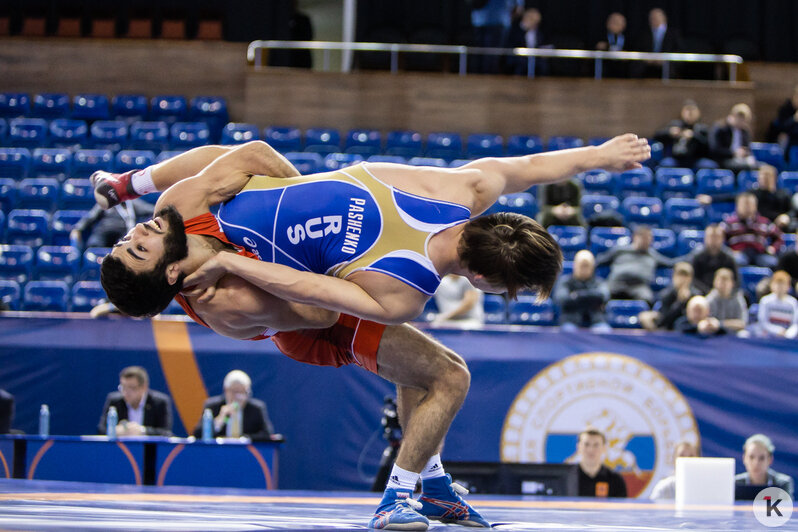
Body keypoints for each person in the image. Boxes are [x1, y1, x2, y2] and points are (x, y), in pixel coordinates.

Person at [93, 143, 492, 529]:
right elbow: (322, 312)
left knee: (420, 374)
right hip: (310, 326)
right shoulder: (228, 299)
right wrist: (321, 243)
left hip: (302, 281)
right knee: (446, 375)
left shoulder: (174, 212)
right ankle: (396, 501)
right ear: (170, 274)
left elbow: (253, 154)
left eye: (127, 241)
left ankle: (436, 487)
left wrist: (309, 199)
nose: (138, 232)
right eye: (139, 250)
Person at [98, 135, 649, 326]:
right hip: (251, 254)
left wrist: (598, 155)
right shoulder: (401, 296)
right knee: (441, 377)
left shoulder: (461, 191)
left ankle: (418, 483)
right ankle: (412, 486)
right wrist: (231, 261)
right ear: (481, 281)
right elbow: (314, 297)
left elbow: (525, 170)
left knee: (439, 377)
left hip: (251, 249)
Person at [698, 165, 793, 230]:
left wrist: (786, 217)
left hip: (778, 225)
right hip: (758, 227)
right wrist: (712, 198)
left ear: (774, 178)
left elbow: (792, 211)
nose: (763, 179)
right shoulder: (753, 194)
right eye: (761, 176)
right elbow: (732, 196)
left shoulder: (783, 194)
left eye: (767, 176)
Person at [596, 225, 674, 305]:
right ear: (635, 237)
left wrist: (687, 258)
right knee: (601, 294)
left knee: (647, 299)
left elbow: (671, 263)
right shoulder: (620, 250)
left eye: (649, 238)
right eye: (644, 238)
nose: (647, 241)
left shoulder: (653, 255)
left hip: (638, 286)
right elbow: (598, 262)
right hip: (615, 283)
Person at [192, 370, 274, 439]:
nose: (238, 396)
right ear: (226, 390)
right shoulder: (213, 406)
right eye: (234, 391)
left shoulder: (256, 408)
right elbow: (197, 435)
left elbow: (267, 434)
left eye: (242, 392)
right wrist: (220, 420)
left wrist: (244, 438)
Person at [98, 366, 173, 437]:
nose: (126, 392)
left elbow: (166, 432)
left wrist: (142, 431)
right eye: (123, 387)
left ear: (144, 387)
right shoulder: (114, 401)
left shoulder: (159, 403)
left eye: (131, 388)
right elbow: (101, 430)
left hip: (149, 449)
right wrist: (115, 431)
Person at [720, 192, 783, 268]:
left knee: (773, 263)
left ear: (755, 206)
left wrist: (773, 248)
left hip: (759, 254)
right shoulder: (729, 223)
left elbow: (779, 237)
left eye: (749, 204)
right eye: (744, 204)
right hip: (738, 253)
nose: (747, 207)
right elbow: (719, 240)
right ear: (737, 206)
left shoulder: (764, 222)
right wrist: (730, 252)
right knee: (736, 261)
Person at [553, 249, 611, 332]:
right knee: (568, 332)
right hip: (570, 321)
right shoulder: (565, 281)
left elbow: (604, 296)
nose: (584, 268)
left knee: (604, 331)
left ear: (592, 267)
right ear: (575, 265)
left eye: (586, 265)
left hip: (597, 320)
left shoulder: (599, 282)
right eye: (581, 265)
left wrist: (576, 296)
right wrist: (592, 298)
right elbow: (561, 299)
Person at [70, 198, 154, 250]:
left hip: (123, 232)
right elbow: (91, 217)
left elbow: (151, 210)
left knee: (126, 248)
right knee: (94, 244)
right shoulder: (106, 202)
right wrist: (78, 229)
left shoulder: (133, 204)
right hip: (103, 231)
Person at [639, 262, 700, 331]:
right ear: (674, 277)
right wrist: (680, 302)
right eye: (680, 275)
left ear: (690, 278)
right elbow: (665, 321)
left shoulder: (696, 296)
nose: (682, 279)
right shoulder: (666, 295)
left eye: (685, 276)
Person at [470, 0, 524, 74]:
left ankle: (487, 81)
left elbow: (518, 9)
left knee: (490, 58)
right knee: (482, 58)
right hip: (483, 21)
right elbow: (518, 9)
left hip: (497, 21)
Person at [653, 100, 710, 169]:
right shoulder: (674, 124)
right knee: (666, 164)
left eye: (693, 111)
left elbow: (708, 145)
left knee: (708, 165)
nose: (690, 113)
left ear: (698, 113)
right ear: (682, 112)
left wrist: (693, 136)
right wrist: (669, 132)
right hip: (675, 159)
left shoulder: (702, 128)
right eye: (687, 110)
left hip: (695, 159)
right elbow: (656, 136)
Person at [735, 433, 795, 497]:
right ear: (744, 459)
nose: (756, 463)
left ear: (770, 460)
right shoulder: (735, 483)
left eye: (762, 458)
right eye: (751, 457)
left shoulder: (782, 484)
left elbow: (786, 506)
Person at [575, 428, 627, 498]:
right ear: (578, 447)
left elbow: (622, 507)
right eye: (586, 444)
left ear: (604, 448)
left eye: (596, 445)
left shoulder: (615, 479)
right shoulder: (567, 478)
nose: (591, 450)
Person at [687, 224, 738, 293]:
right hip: (701, 294)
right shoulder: (697, 257)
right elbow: (693, 280)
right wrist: (708, 292)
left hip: (724, 295)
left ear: (722, 238)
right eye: (711, 237)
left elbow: (736, 281)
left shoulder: (729, 258)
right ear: (705, 238)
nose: (714, 240)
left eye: (716, 237)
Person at [632, 8, 681, 78]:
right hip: (647, 61)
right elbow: (638, 49)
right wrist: (648, 58)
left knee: (671, 66)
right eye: (652, 18)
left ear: (664, 18)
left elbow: (678, 50)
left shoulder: (674, 33)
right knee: (637, 64)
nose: (654, 19)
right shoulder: (643, 34)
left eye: (657, 17)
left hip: (666, 62)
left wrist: (664, 59)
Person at [709, 103, 757, 172]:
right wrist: (734, 153)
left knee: (764, 168)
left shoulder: (744, 131)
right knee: (747, 167)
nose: (742, 122)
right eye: (740, 119)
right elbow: (715, 149)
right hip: (724, 159)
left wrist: (745, 154)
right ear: (733, 116)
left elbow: (747, 148)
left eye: (744, 120)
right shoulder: (720, 128)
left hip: (741, 160)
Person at [756, 270, 798, 339]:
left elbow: (795, 324)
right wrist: (777, 331)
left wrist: (788, 334)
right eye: (777, 283)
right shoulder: (765, 301)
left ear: (788, 286)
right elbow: (763, 323)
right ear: (771, 285)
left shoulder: (793, 302)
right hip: (768, 337)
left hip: (787, 339)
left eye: (783, 284)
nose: (780, 287)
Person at [705, 268, 748, 333]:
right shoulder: (709, 300)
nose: (722, 284)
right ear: (714, 282)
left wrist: (720, 324)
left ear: (732, 283)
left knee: (744, 333)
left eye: (726, 281)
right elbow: (708, 324)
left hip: (734, 333)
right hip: (715, 334)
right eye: (720, 281)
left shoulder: (738, 299)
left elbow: (742, 324)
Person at [595, 12, 628, 78]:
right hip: (604, 70)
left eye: (617, 23)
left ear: (623, 25)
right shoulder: (600, 35)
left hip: (622, 72)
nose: (614, 25)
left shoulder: (628, 38)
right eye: (612, 22)